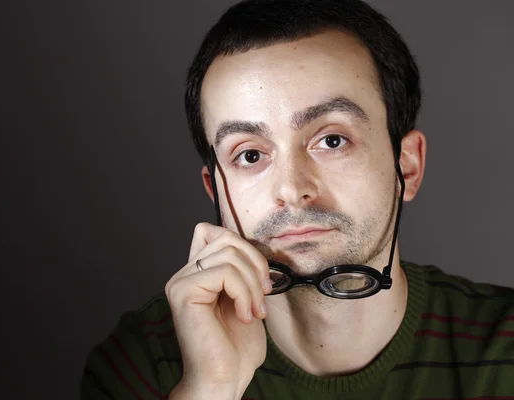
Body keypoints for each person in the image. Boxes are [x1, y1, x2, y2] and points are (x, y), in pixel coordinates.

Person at [80, 0, 514, 398]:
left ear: (408, 167)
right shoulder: (141, 364)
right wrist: (211, 386)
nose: (291, 188)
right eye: (250, 154)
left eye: (331, 140)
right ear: (216, 191)